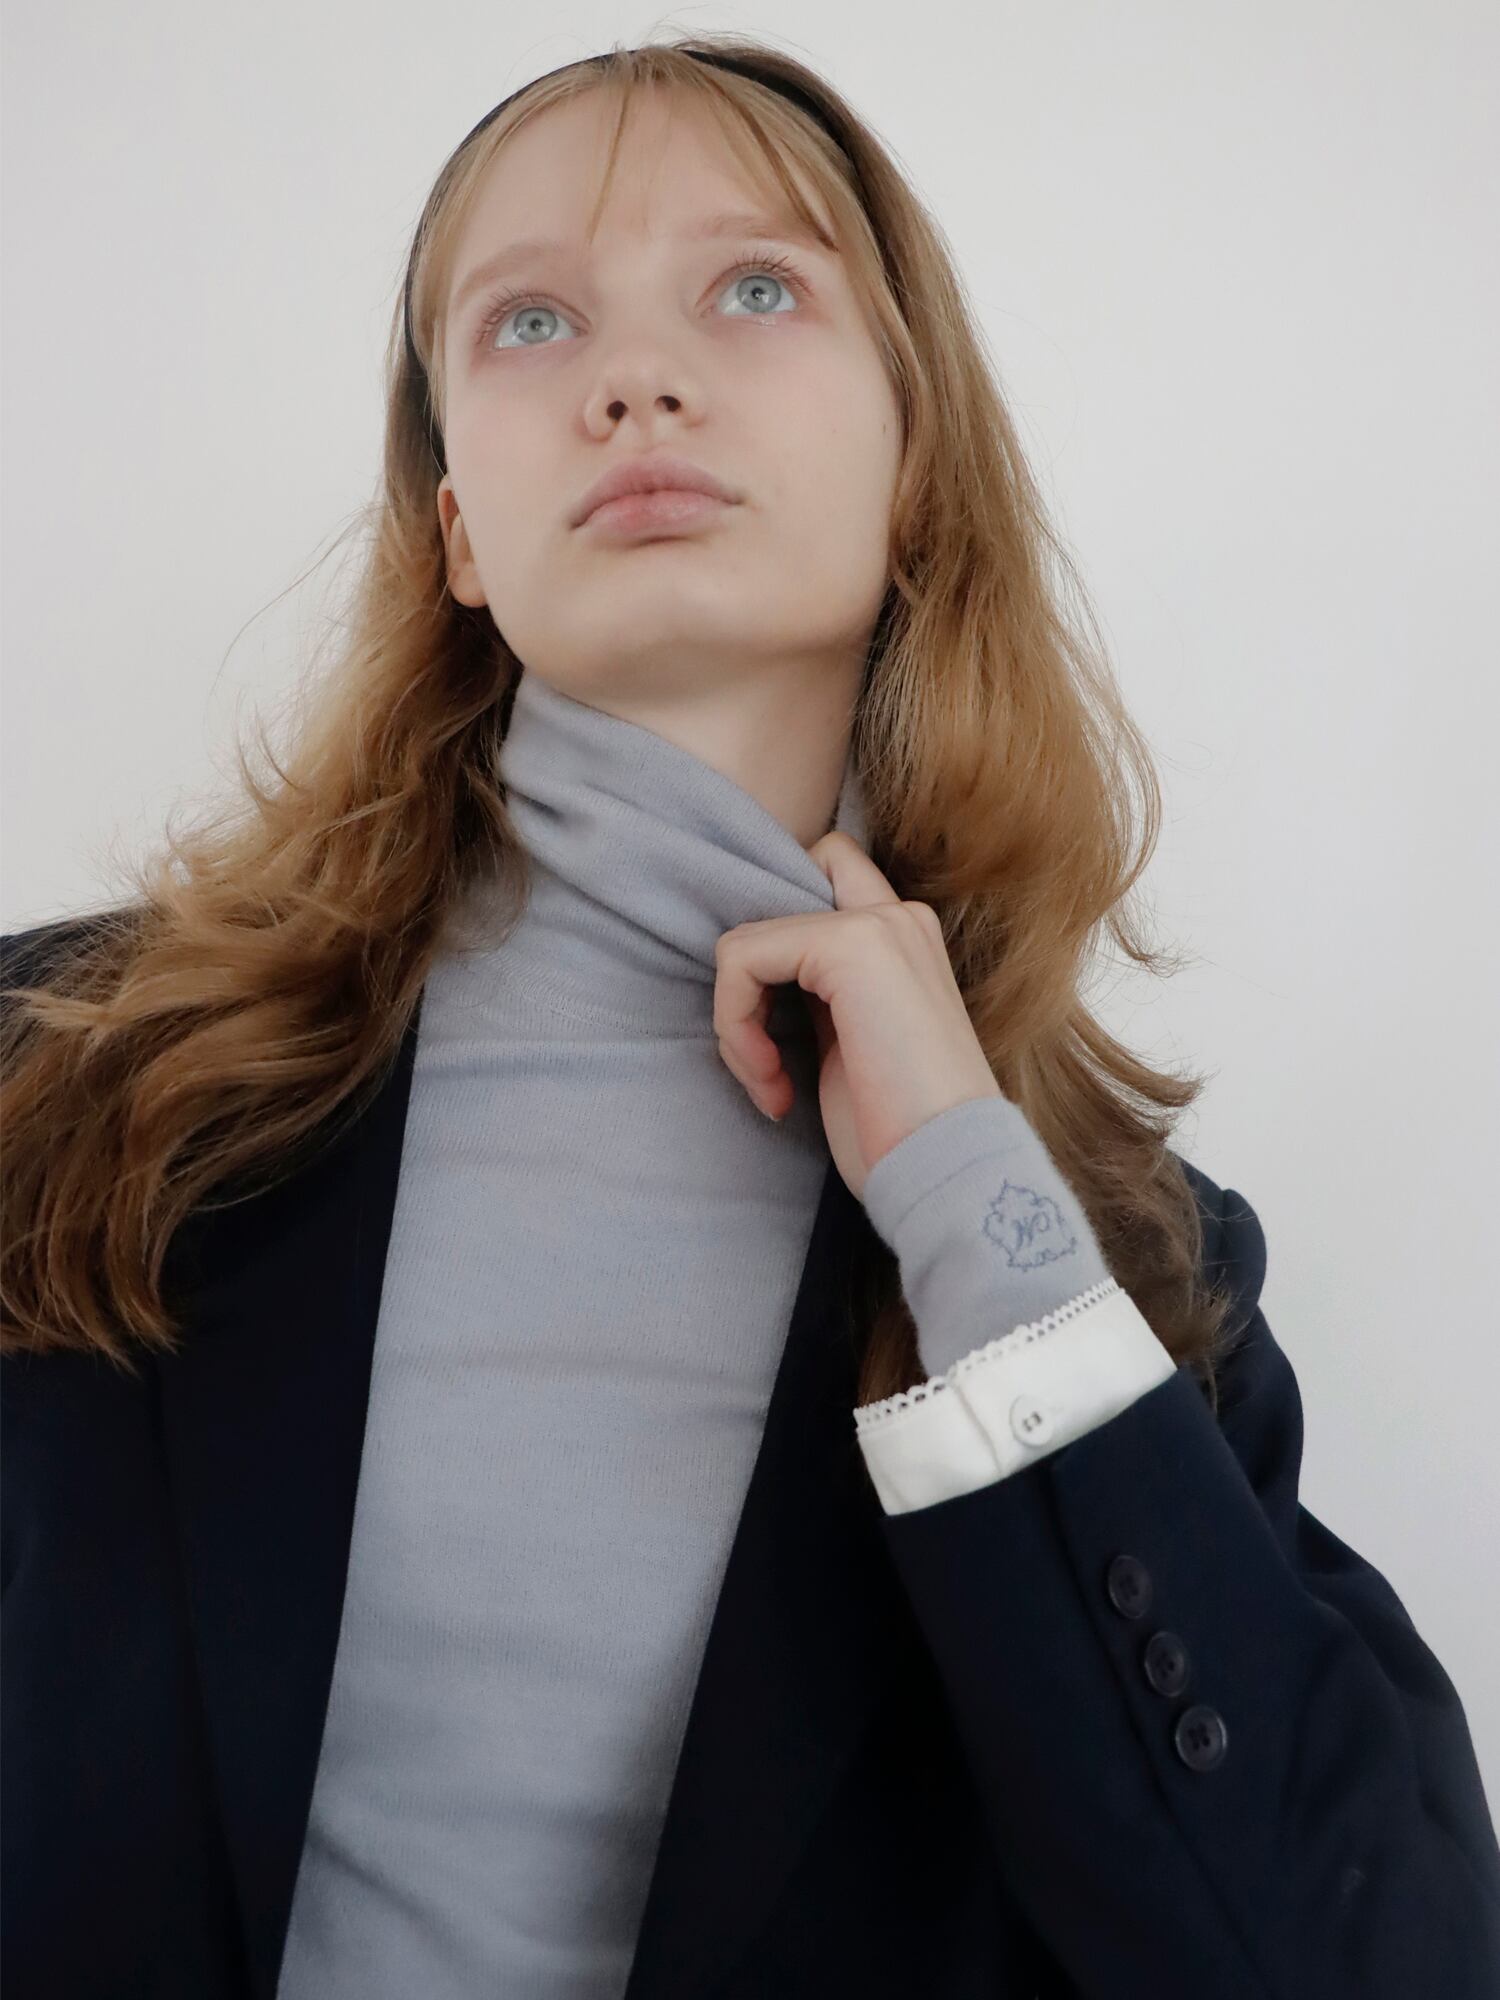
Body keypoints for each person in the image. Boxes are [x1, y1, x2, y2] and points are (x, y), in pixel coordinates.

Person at [3, 33, 1498, 2000]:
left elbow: (1369, 1960)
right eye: (532, 319)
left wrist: (968, 1199)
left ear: (914, 468)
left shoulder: (1112, 1269)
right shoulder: (63, 1075)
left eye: (755, 287)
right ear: (459, 532)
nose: (635, 376)